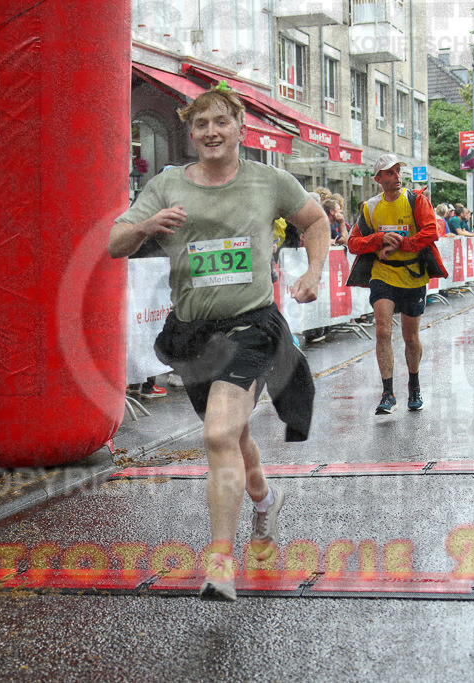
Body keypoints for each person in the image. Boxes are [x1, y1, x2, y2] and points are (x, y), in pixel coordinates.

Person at [108, 83, 329, 602]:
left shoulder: (269, 180)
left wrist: (313, 271)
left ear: (239, 129)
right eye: (201, 124)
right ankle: (264, 500)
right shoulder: (167, 186)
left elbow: (316, 220)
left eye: (221, 122)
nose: (211, 132)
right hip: (194, 336)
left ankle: (220, 563)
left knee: (217, 435)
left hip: (251, 327)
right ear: (191, 133)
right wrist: (146, 225)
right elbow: (114, 243)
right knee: (232, 434)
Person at [347, 153, 440, 414]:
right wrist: (378, 239)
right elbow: (353, 243)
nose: (397, 176)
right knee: (382, 331)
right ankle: (387, 393)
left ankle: (414, 385)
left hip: (412, 274)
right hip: (383, 273)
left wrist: (403, 244)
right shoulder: (370, 207)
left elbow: (431, 231)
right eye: (390, 172)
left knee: (410, 337)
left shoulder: (416, 200)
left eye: (398, 171)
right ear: (378, 179)